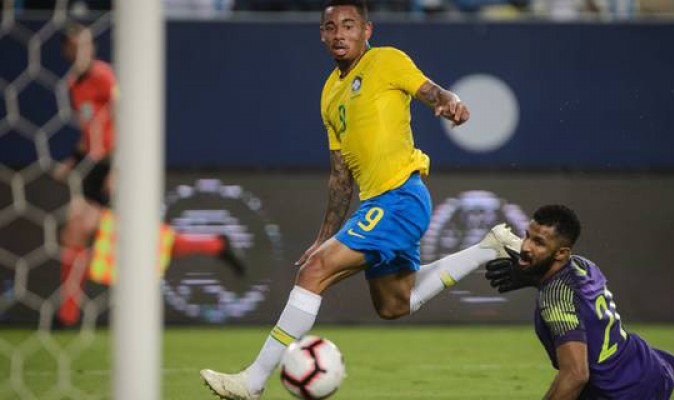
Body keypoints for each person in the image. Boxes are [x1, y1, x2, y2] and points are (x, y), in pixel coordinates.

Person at [200, 1, 521, 398]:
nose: (340, 34)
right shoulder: (329, 94)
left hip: (401, 196)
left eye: (349, 25)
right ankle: (490, 247)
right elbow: (339, 176)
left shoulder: (386, 61)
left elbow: (431, 90)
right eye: (331, 26)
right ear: (321, 34)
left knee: (314, 272)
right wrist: (324, 233)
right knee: (393, 305)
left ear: (367, 30)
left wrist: (448, 100)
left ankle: (252, 382)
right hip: (378, 204)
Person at [484, 204, 674, 400]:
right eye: (527, 236)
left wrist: (529, 274)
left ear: (561, 252)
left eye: (538, 243)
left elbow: (576, 374)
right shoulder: (586, 266)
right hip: (649, 369)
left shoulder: (556, 302)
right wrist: (528, 272)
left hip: (620, 394)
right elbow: (555, 275)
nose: (526, 246)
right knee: (644, 352)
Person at [54, 24, 245, 327]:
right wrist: (72, 160)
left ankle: (69, 314)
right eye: (77, 47)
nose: (84, 52)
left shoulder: (104, 76)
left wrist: (118, 168)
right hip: (94, 165)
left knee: (138, 239)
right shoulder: (72, 85)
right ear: (67, 51)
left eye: (88, 46)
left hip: (116, 164)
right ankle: (67, 315)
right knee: (77, 232)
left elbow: (124, 120)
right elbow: (90, 130)